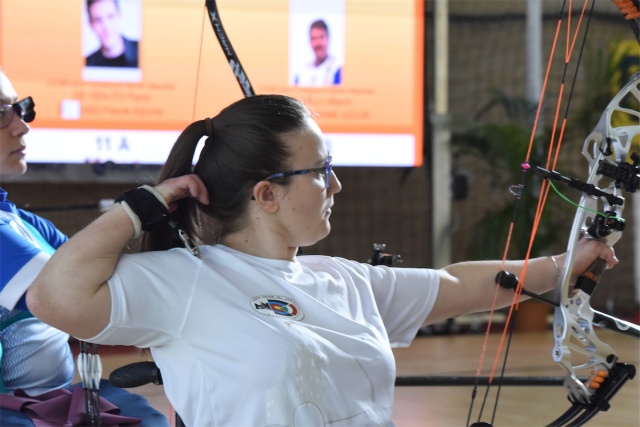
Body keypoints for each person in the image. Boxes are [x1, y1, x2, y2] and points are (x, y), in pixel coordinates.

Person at [27, 95, 618, 426]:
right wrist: (144, 206)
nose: (336, 185)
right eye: (321, 170)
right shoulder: (185, 280)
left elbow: (453, 285)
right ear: (267, 193)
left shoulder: (339, 279)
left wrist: (566, 264)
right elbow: (53, 297)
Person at [0, 68, 75, 395]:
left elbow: (97, 267)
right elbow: (78, 296)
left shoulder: (17, 219)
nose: (22, 126)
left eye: (19, 108)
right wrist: (137, 210)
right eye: (1, 113)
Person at [85, 0, 139, 68]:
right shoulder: (87, 64)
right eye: (98, 20)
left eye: (110, 17)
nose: (106, 26)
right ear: (91, 24)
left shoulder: (143, 51)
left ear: (119, 16)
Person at [293, 19, 342, 87]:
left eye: (321, 37)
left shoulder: (337, 69)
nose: (318, 43)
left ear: (328, 39)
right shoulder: (302, 73)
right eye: (314, 38)